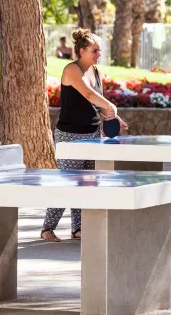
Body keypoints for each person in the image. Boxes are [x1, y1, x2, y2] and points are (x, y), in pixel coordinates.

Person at [40, 28, 128, 242]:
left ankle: (78, 229)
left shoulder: (95, 72)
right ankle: (47, 229)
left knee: (87, 183)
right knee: (67, 183)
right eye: (95, 50)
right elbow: (88, 93)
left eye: (99, 50)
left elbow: (94, 103)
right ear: (81, 51)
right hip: (69, 135)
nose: (99, 54)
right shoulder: (71, 70)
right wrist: (111, 105)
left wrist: (114, 117)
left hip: (92, 133)